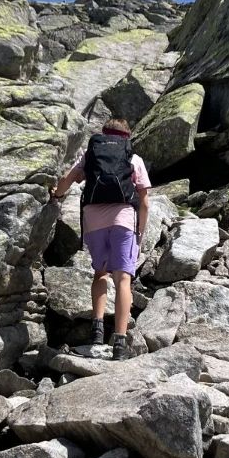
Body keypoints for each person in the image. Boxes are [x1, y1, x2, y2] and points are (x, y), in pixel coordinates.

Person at [49, 118, 150, 360]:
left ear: (104, 134)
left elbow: (70, 177)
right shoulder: (133, 159)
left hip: (93, 219)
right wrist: (140, 230)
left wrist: (56, 194)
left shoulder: (91, 154)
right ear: (127, 136)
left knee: (100, 273)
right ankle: (119, 343)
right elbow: (144, 201)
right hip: (123, 219)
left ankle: (97, 330)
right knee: (123, 279)